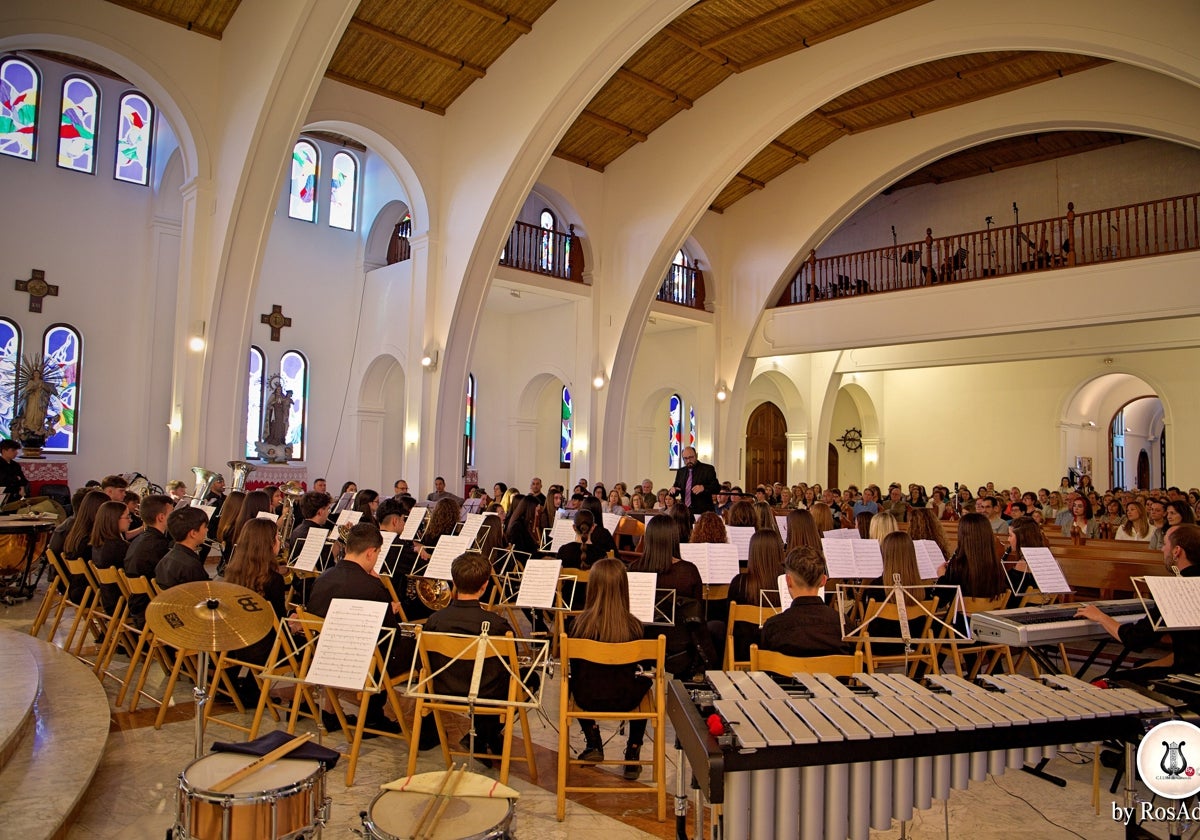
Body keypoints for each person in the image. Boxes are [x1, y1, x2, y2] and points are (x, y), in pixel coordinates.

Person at [306, 522, 406, 734]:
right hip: (361, 662)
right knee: (404, 645)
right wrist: (389, 609)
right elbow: (391, 636)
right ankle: (372, 716)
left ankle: (333, 710)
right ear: (370, 553)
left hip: (324, 654)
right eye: (378, 554)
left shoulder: (323, 578)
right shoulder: (371, 587)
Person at [422, 551, 520, 760]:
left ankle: (486, 738)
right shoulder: (496, 625)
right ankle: (486, 734)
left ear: (454, 582)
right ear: (484, 586)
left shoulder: (434, 620)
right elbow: (512, 664)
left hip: (443, 689)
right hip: (485, 692)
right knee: (528, 681)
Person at [566, 557, 658, 778]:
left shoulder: (577, 625)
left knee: (573, 679)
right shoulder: (635, 627)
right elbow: (645, 668)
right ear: (624, 589)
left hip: (588, 698)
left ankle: (593, 740)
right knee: (643, 681)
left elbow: (575, 668)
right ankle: (633, 751)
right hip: (627, 698)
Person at [1076, 524, 1200, 682]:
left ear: (1177, 551)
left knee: (1100, 682)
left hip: (1189, 676)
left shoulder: (1178, 589)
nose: (1162, 549)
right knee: (1140, 666)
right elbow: (1189, 648)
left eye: (1165, 544)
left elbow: (1136, 640)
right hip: (1190, 665)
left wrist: (1100, 616)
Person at [222, 518, 288, 703]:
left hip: (235, 642)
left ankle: (250, 687)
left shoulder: (233, 572)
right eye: (277, 537)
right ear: (269, 544)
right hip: (261, 650)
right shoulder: (273, 580)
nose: (279, 541)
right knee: (309, 645)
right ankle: (305, 702)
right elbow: (279, 625)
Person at [760, 546, 849, 657]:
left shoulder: (773, 627)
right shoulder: (843, 625)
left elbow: (766, 669)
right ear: (823, 581)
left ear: (788, 581)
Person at [123, 494, 173, 628]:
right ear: (161, 517)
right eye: (171, 513)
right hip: (149, 609)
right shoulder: (158, 545)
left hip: (136, 605)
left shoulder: (138, 539)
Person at [89, 500, 131, 617]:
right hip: (124, 605)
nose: (130, 520)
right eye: (127, 517)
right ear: (114, 520)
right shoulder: (119, 548)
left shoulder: (98, 544)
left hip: (109, 601)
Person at [155, 506, 211, 589]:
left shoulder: (165, 560)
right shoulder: (191, 566)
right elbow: (203, 594)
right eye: (205, 527)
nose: (207, 530)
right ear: (193, 533)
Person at [671, 446, 718, 513]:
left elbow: (716, 487)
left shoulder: (707, 469)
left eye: (691, 457)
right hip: (685, 511)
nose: (688, 460)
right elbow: (676, 488)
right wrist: (673, 490)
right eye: (685, 458)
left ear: (696, 456)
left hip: (703, 511)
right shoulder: (681, 471)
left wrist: (703, 488)